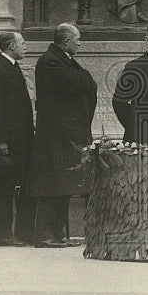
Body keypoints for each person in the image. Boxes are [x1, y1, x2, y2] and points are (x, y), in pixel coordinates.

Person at [29, 23, 97, 248]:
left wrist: (84, 78)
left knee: (63, 184)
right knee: (52, 185)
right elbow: (76, 83)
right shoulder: (50, 61)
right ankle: (45, 234)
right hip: (55, 135)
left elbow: (83, 83)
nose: (80, 43)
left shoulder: (62, 59)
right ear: (66, 41)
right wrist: (85, 76)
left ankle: (57, 233)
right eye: (77, 39)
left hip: (64, 134)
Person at [0, 31, 35, 247]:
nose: (26, 47)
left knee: (17, 186)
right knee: (4, 189)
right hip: (8, 143)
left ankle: (20, 233)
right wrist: (0, 141)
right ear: (12, 45)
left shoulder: (11, 67)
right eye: (22, 43)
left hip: (20, 140)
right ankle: (3, 234)